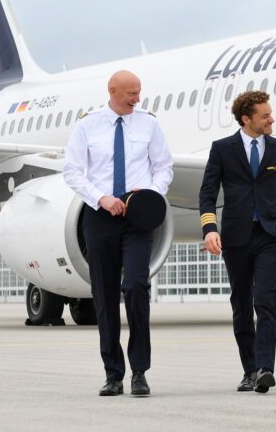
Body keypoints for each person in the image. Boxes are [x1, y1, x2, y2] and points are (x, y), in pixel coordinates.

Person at [62, 70, 173, 397]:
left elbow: (164, 167)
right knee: (105, 295)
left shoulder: (149, 124)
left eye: (138, 92)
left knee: (137, 285)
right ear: (112, 91)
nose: (137, 98)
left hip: (138, 217)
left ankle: (140, 371)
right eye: (131, 93)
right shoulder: (87, 125)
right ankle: (113, 374)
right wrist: (101, 198)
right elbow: (72, 171)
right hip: (100, 216)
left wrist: (150, 192)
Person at [199, 90, 276, 394]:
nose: (272, 119)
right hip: (236, 237)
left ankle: (266, 368)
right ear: (247, 119)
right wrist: (209, 229)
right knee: (241, 304)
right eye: (265, 115)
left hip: (269, 235)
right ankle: (249, 369)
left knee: (265, 301)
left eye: (271, 114)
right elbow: (207, 194)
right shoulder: (222, 149)